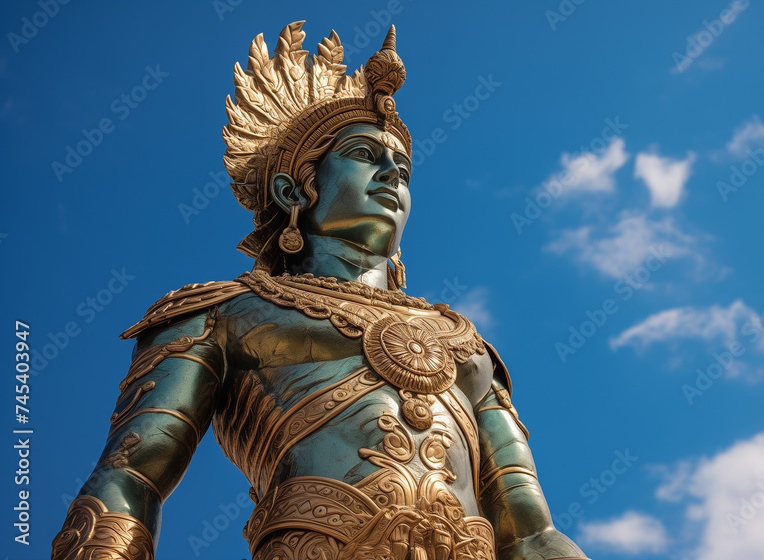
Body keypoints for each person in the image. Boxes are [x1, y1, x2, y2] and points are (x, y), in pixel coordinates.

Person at [51, 22, 589, 560]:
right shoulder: (222, 314)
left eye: (403, 170)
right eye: (364, 154)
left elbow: (531, 532)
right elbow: (130, 476)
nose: (391, 176)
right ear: (292, 190)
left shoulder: (463, 341)